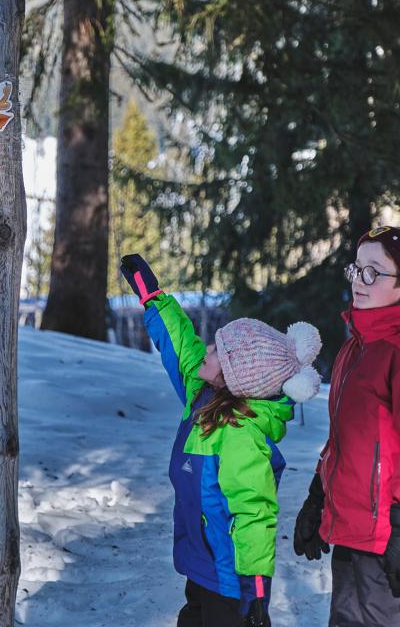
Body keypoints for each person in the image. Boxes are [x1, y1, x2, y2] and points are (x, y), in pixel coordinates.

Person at [120, 254, 322, 627]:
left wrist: (257, 588)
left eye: (216, 352)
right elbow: (181, 345)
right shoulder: (203, 395)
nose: (206, 350)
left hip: (233, 581)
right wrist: (153, 296)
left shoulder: (240, 434)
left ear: (233, 377)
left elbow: (255, 511)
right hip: (201, 567)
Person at [293, 225, 400, 627]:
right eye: (357, 269)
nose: (360, 280)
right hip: (351, 530)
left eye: (374, 271)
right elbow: (343, 438)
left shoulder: (394, 351)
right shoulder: (354, 347)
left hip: (387, 537)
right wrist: (318, 495)